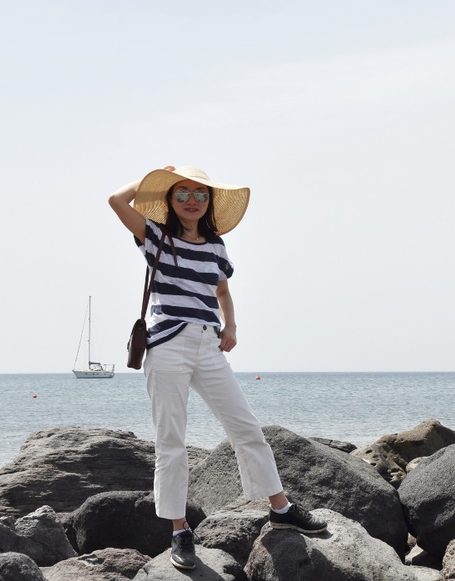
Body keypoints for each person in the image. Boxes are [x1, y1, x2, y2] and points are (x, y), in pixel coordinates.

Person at [109, 165, 326, 570]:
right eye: (182, 193)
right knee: (171, 442)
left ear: (209, 202)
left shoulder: (215, 245)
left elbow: (222, 288)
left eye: (200, 194)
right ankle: (179, 530)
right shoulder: (156, 235)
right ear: (170, 200)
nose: (192, 200)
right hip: (167, 343)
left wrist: (231, 325)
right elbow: (116, 201)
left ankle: (279, 507)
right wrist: (154, 176)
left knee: (246, 427)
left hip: (209, 344)